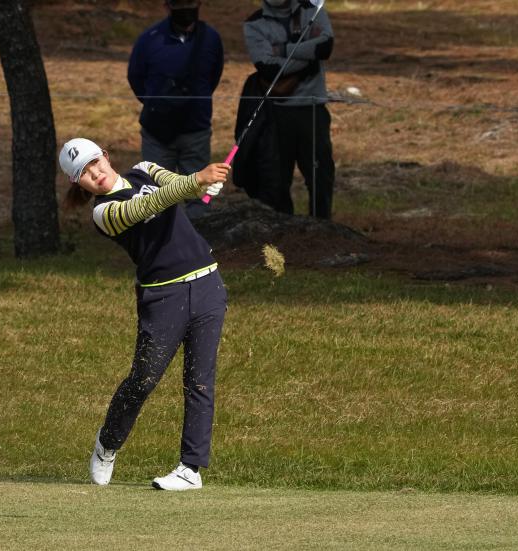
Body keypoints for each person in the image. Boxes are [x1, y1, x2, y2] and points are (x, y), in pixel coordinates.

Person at [59, 137, 229, 491]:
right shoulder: (104, 214)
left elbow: (179, 187)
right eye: (85, 173)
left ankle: (190, 469)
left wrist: (202, 186)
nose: (96, 173)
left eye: (95, 162)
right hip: (163, 295)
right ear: (79, 183)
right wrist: (196, 179)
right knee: (144, 379)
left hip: (207, 283)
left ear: (106, 156)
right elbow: (150, 204)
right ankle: (107, 443)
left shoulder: (145, 169)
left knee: (200, 381)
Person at [127, 0, 224, 219]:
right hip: (157, 134)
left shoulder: (211, 38)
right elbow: (136, 78)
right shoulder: (149, 39)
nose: (186, 10)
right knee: (155, 195)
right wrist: (158, 105)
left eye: (190, 3)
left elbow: (213, 76)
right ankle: (162, 238)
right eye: (180, 5)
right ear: (167, 7)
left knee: (199, 197)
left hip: (196, 131)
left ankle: (198, 236)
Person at [242, 0, 335, 219]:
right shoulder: (253, 24)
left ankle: (322, 226)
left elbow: (325, 47)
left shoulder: (313, 11)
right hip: (276, 114)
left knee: (320, 176)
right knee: (277, 180)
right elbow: (267, 68)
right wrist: (308, 57)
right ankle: (282, 228)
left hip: (313, 111)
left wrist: (282, 50)